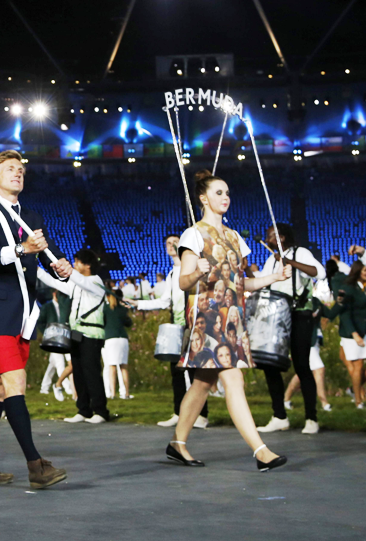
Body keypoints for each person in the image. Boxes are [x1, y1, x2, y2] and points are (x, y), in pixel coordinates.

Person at [166, 170, 290, 472]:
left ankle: (177, 443)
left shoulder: (235, 237)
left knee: (202, 384)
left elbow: (241, 283)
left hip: (232, 318)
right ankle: (261, 451)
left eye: (227, 193)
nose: (225, 198)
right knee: (234, 379)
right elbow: (184, 282)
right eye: (219, 193)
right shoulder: (193, 234)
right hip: (207, 319)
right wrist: (198, 271)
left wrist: (273, 277)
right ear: (203, 198)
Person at [0, 150, 67, 489]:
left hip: (23, 316)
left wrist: (59, 267)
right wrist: (22, 249)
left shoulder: (31, 216)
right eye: (10, 169)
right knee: (15, 385)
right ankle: (36, 466)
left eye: (20, 169)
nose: (18, 173)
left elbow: (45, 257)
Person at [129, 234, 209, 428]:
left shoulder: (193, 268)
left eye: (175, 242)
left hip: (193, 323)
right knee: (176, 371)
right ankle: (178, 412)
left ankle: (201, 415)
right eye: (168, 243)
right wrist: (138, 303)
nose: (171, 245)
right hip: (177, 325)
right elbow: (165, 301)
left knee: (194, 371)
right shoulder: (172, 273)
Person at [257, 223, 326, 435]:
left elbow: (319, 273)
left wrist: (289, 262)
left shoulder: (300, 252)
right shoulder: (271, 259)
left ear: (283, 237)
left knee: (302, 366)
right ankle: (279, 416)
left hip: (299, 315)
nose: (267, 237)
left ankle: (311, 418)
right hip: (276, 317)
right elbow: (262, 283)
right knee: (270, 365)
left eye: (271, 234)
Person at [37, 249, 111, 424]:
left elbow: (78, 280)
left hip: (92, 333)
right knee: (78, 371)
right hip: (77, 333)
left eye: (77, 262)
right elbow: (56, 283)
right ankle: (83, 410)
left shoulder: (95, 282)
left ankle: (100, 411)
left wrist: (66, 269)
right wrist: (36, 269)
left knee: (91, 371)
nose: (75, 265)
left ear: (88, 265)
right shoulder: (79, 284)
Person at [320, 260, 366, 409]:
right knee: (356, 365)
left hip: (362, 330)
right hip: (352, 332)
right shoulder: (348, 288)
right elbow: (343, 313)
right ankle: (358, 400)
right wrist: (354, 334)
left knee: (352, 364)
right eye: (364, 271)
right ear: (358, 271)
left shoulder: (362, 288)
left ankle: (355, 391)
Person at [38, 291, 73, 401]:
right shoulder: (47, 307)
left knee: (52, 364)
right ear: (54, 294)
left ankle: (44, 387)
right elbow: (40, 322)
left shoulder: (66, 307)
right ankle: (66, 387)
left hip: (64, 337)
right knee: (59, 363)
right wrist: (46, 333)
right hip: (53, 338)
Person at [102, 288, 132, 400]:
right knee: (124, 367)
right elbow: (129, 323)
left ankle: (113, 393)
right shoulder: (122, 310)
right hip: (123, 339)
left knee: (112, 367)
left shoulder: (105, 309)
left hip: (111, 339)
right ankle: (126, 393)